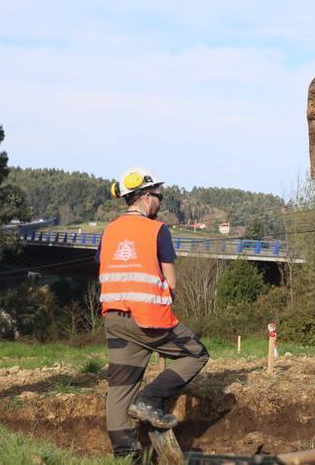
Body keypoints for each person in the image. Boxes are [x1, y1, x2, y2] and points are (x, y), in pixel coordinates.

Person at [98, 167, 209, 461]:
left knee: (121, 387)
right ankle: (150, 399)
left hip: (114, 319)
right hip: (149, 318)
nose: (160, 202)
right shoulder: (157, 230)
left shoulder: (109, 231)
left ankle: (125, 455)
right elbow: (171, 283)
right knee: (196, 354)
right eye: (159, 196)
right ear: (147, 197)